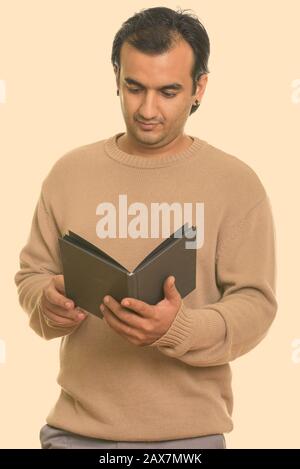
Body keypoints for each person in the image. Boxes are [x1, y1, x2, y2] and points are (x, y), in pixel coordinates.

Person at [14, 6, 277, 450]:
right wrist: (48, 301)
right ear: (116, 76)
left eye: (168, 91)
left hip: (188, 439)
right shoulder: (68, 173)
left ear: (200, 88)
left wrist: (178, 329)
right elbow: (31, 276)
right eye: (133, 88)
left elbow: (256, 304)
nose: (147, 109)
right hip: (74, 435)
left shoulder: (236, 183)